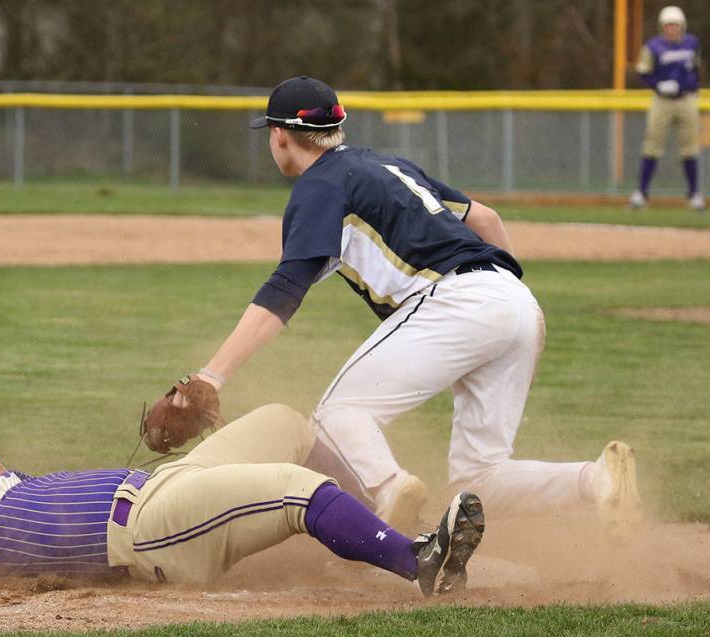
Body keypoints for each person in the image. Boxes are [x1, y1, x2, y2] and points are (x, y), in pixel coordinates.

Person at [167, 76, 641, 536]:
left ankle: (391, 489)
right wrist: (512, 318)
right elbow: (487, 219)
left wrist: (213, 375)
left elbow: (285, 289)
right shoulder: (389, 166)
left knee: (337, 416)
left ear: (280, 136)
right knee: (481, 478)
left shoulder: (320, 185)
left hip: (456, 300)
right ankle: (595, 479)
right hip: (514, 298)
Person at [0, 404, 485, 598]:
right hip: (151, 533)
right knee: (295, 491)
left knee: (285, 423)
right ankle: (421, 563)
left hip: (163, 492)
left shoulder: (11, 487)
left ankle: (374, 531)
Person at [630, 5, 705, 211]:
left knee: (690, 147)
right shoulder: (653, 46)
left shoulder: (692, 43)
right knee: (652, 145)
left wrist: (689, 86)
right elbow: (643, 71)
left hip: (686, 99)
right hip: (662, 101)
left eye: (675, 25)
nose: (672, 28)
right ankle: (641, 194)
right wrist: (658, 85)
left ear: (682, 26)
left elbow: (697, 68)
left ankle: (694, 195)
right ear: (662, 27)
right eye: (668, 25)